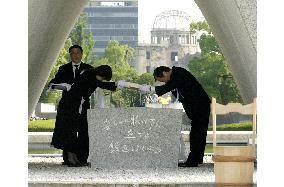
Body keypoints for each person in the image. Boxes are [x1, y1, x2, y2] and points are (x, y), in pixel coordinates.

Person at [140, 66, 211, 167]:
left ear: (165, 73)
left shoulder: (179, 73)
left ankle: (193, 161)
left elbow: (167, 88)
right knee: (198, 132)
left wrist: (150, 89)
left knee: (197, 133)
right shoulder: (174, 77)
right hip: (197, 107)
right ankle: (196, 159)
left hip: (200, 105)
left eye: (162, 80)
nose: (164, 82)